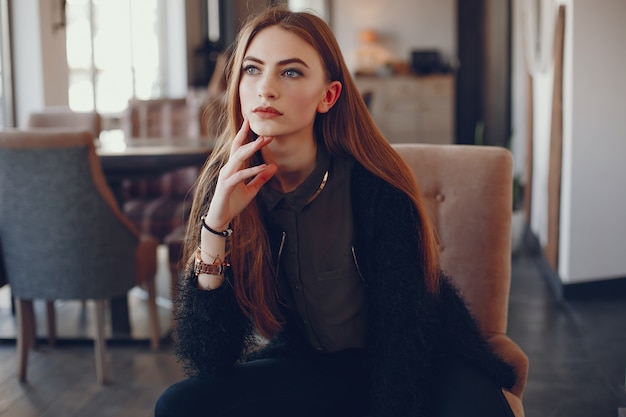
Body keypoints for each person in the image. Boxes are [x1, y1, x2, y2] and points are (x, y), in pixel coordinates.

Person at [155, 7, 518, 417]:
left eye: (290, 72)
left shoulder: (377, 186)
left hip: (426, 358)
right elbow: (209, 357)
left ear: (327, 96)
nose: (265, 88)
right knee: (178, 405)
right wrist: (216, 226)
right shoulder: (227, 190)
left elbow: (404, 335)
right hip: (319, 367)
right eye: (252, 70)